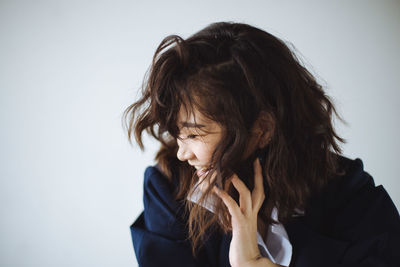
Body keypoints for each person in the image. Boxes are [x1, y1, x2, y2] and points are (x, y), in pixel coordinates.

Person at [123, 22, 400, 267]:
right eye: (177, 133)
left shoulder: (350, 196)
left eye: (194, 135)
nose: (182, 153)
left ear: (262, 128)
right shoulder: (168, 191)